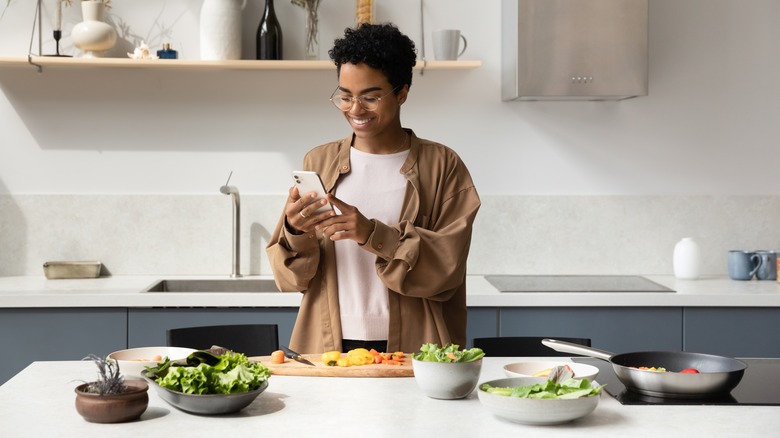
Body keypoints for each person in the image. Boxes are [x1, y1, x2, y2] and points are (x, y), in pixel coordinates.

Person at [266, 23, 480, 354]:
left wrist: (370, 233)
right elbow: (292, 278)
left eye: (370, 97)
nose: (355, 109)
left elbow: (447, 269)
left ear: (402, 92)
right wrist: (295, 230)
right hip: (328, 344)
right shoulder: (319, 160)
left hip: (416, 345)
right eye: (345, 96)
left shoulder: (443, 165)